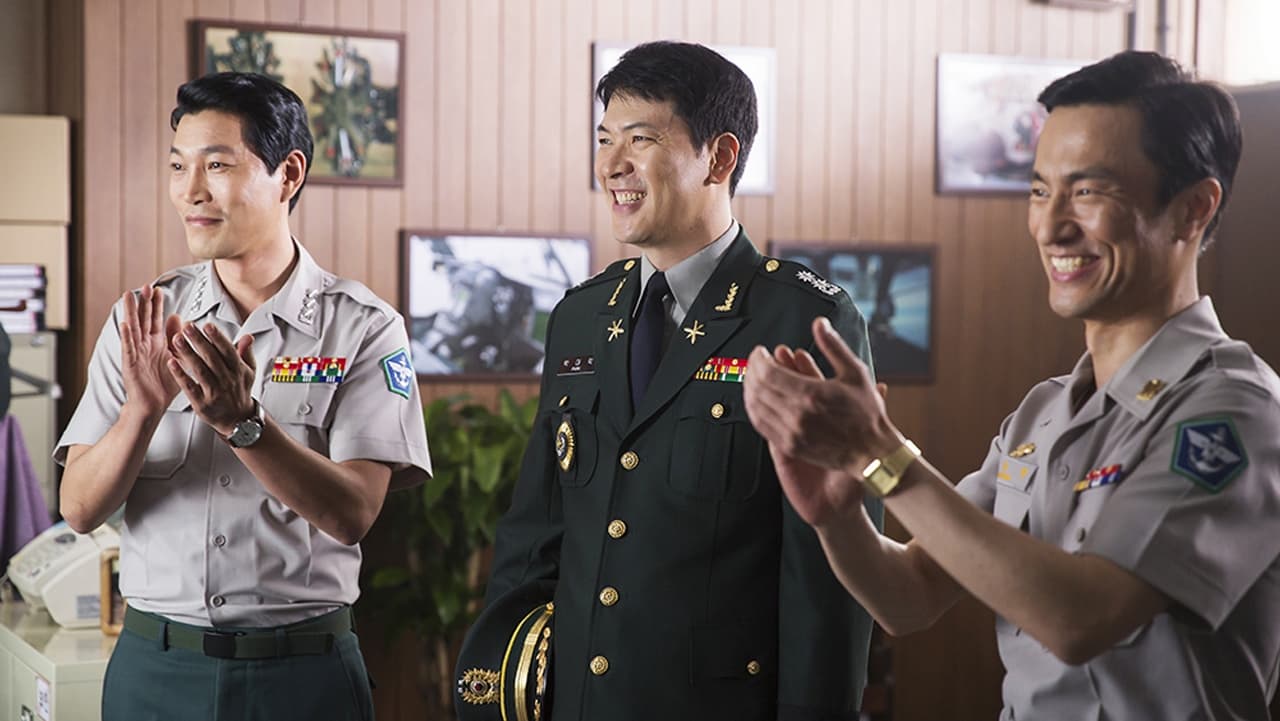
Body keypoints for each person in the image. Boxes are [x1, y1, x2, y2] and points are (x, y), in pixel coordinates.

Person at [743, 50, 1280, 720]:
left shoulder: (1236, 409)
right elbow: (909, 595)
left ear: (1193, 209)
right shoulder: (1042, 413)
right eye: (1039, 190)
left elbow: (1081, 619)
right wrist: (839, 513)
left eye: (1089, 191)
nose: (1051, 226)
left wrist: (881, 456)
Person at [453, 41, 881, 721]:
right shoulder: (581, 316)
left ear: (719, 157)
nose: (610, 165)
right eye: (604, 140)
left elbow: (829, 577)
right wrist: (495, 694)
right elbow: (535, 535)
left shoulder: (802, 319)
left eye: (641, 139)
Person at [55, 72, 431, 721]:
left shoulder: (364, 328)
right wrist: (141, 412)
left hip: (303, 673)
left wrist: (245, 423)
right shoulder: (144, 320)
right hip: (154, 668)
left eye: (218, 165)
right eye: (178, 165)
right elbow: (79, 509)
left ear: (288, 174)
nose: (190, 191)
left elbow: (353, 513)